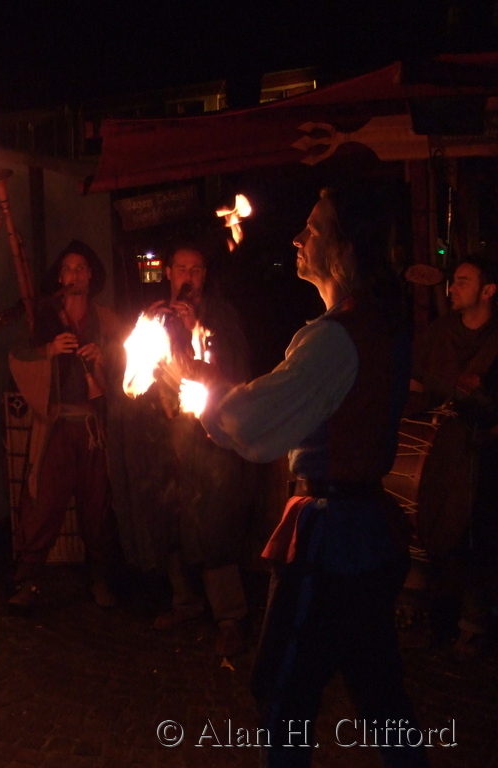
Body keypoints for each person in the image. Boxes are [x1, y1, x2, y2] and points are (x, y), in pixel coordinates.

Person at [199, 187, 426, 766]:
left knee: (282, 692)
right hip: (368, 535)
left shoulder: (334, 339)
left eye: (314, 229)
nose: (299, 238)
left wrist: (208, 395)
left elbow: (258, 423)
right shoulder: (380, 323)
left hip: (332, 541)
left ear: (345, 249)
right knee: (379, 693)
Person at [147, 244, 254, 658]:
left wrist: (195, 332)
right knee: (172, 516)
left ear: (204, 275)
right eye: (181, 269)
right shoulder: (156, 315)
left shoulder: (219, 316)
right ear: (169, 273)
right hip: (169, 434)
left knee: (214, 521)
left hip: (210, 436)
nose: (188, 276)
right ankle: (185, 602)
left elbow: (233, 373)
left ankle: (230, 617)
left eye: (196, 269)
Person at [7, 240, 121, 611]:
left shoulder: (106, 318)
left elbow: (129, 362)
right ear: (60, 277)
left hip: (92, 429)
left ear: (90, 276)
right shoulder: (42, 317)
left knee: (97, 506)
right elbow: (18, 358)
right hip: (55, 425)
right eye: (68, 269)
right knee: (43, 503)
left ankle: (99, 578)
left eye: (81, 268)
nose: (74, 275)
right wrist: (49, 351)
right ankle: (29, 582)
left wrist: (103, 357)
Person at [410, 257, 498, 660]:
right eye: (453, 281)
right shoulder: (439, 333)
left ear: (488, 291)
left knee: (479, 530)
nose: (453, 288)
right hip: (440, 450)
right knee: (433, 523)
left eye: (463, 281)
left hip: (486, 452)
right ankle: (428, 615)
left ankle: (474, 623)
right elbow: (417, 381)